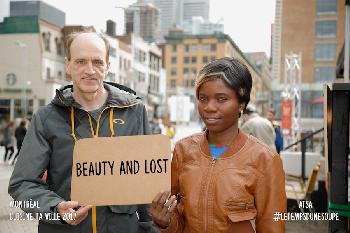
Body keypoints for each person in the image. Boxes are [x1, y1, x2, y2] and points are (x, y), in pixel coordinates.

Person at [9, 31, 158, 233]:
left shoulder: (134, 112)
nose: (90, 70)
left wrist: (151, 229)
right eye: (80, 61)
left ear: (107, 66)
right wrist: (55, 209)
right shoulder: (45, 119)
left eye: (97, 62)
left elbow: (146, 183)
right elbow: (22, 185)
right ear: (68, 65)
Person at [151, 57, 286, 233]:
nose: (209, 107)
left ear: (241, 103)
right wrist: (165, 223)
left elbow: (272, 227)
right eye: (203, 98)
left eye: (221, 99)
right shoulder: (182, 150)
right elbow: (177, 220)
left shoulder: (265, 159)